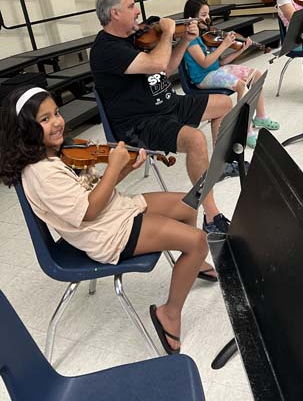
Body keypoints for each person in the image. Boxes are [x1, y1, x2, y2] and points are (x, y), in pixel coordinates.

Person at [0, 86, 217, 354]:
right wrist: (114, 167)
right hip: (106, 233)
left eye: (56, 112)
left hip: (113, 211)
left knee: (187, 204)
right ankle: (169, 314)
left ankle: (191, 264)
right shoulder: (42, 174)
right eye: (44, 119)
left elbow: (96, 189)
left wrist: (123, 168)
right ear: (25, 129)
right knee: (197, 242)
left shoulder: (58, 153)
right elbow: (89, 211)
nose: (57, 122)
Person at [90, 0, 233, 235]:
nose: (137, 12)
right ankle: (212, 215)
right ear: (114, 13)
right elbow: (156, 61)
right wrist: (168, 33)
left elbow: (165, 68)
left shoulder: (134, 37)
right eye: (131, 6)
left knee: (224, 104)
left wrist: (185, 41)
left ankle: (216, 166)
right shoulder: (106, 49)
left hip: (168, 104)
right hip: (141, 122)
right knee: (195, 140)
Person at [182, 0, 279, 148]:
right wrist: (225, 44)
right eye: (203, 15)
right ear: (192, 18)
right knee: (241, 86)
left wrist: (242, 50)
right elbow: (205, 63)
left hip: (216, 70)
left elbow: (221, 62)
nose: (207, 18)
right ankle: (246, 131)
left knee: (257, 74)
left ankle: (261, 117)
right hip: (203, 77)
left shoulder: (207, 35)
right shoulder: (191, 41)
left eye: (208, 14)